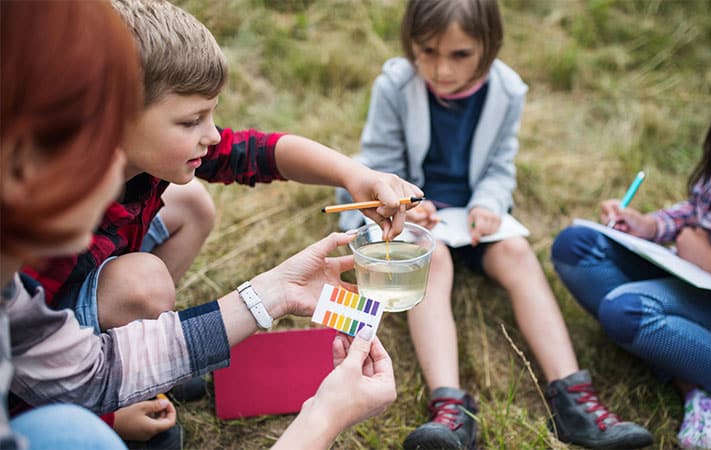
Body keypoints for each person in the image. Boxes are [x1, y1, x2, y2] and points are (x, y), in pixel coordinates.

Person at [20, 0, 420, 444]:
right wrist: (109, 418)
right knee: (144, 284)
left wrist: (355, 175)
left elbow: (258, 152)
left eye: (211, 114)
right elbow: (27, 366)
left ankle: (153, 358)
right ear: (114, 121)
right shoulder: (41, 231)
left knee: (191, 202)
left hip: (69, 309)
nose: (211, 135)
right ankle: (130, 377)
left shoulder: (144, 155)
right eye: (191, 121)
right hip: (49, 353)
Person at [335, 1, 653, 448]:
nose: (441, 68)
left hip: (474, 219)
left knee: (519, 254)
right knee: (434, 261)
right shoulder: (396, 85)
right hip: (416, 214)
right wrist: (410, 202)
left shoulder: (507, 89)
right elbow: (381, 161)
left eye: (459, 55)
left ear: (489, 46)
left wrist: (488, 204)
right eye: (426, 51)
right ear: (410, 44)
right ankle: (450, 409)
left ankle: (575, 401)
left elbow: (500, 167)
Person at [550, 1, 711, 449]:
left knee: (627, 309)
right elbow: (704, 209)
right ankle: (697, 384)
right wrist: (649, 226)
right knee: (574, 244)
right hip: (690, 270)